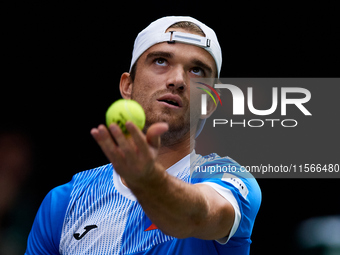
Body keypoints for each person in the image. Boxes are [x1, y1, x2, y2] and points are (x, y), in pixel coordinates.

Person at [25, 16, 261, 255]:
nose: (178, 80)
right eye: (161, 61)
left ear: (210, 103)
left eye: (196, 70)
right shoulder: (63, 203)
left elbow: (195, 216)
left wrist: (148, 181)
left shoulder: (229, 179)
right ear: (128, 85)